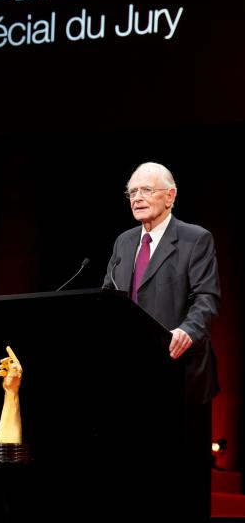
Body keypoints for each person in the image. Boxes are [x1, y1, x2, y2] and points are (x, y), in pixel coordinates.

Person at [103, 162, 220, 522]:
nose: (137, 198)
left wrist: (187, 330)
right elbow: (110, 297)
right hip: (133, 378)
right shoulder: (124, 241)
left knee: (179, 485)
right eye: (132, 192)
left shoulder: (194, 238)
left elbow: (207, 298)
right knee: (136, 482)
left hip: (180, 373)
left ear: (170, 196)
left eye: (146, 190)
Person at [0, 345, 23, 443]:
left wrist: (10, 352)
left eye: (12, 362)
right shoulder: (8, 376)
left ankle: (11, 439)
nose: (12, 365)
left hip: (13, 402)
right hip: (8, 402)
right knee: (6, 419)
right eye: (10, 362)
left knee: (12, 418)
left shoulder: (17, 373)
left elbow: (17, 368)